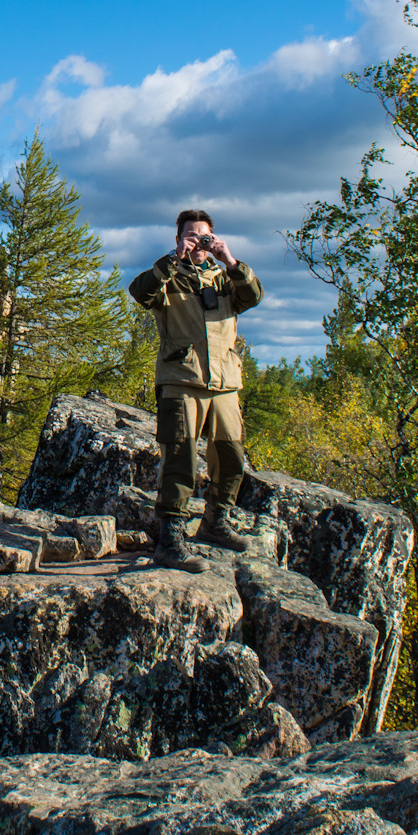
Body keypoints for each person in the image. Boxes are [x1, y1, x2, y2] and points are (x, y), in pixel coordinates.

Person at [127, 209, 264, 573]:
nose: (198, 243)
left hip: (225, 384)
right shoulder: (169, 277)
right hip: (181, 380)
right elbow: (138, 292)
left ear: (213, 240)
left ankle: (215, 522)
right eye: (190, 236)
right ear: (178, 241)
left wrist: (230, 260)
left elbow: (252, 296)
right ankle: (171, 540)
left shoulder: (225, 280)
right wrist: (172, 260)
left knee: (232, 458)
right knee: (180, 461)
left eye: (204, 237)